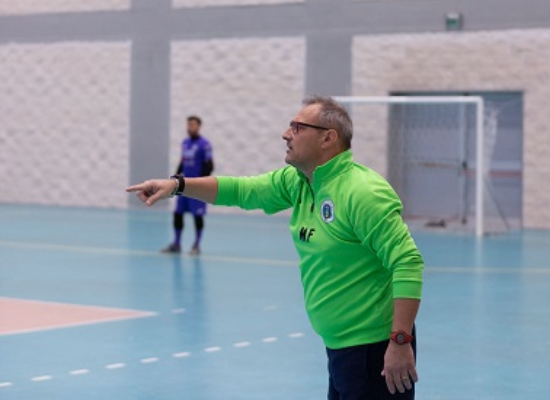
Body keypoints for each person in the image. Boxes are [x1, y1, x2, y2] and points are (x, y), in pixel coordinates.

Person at [127, 95, 424, 399]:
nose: (286, 134)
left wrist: (399, 341)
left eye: (297, 127)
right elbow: (242, 190)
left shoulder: (363, 192)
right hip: (341, 348)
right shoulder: (301, 181)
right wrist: (178, 185)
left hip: (374, 350)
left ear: (328, 138)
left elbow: (408, 262)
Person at [162, 115, 214, 255]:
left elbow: (209, 165)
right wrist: (174, 178)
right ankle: (177, 244)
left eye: (193, 125)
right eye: (188, 124)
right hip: (184, 186)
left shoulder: (204, 145)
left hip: (197, 187)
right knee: (178, 213)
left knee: (197, 216)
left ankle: (196, 245)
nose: (190, 127)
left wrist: (202, 183)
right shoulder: (185, 143)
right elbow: (183, 162)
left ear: (199, 126)